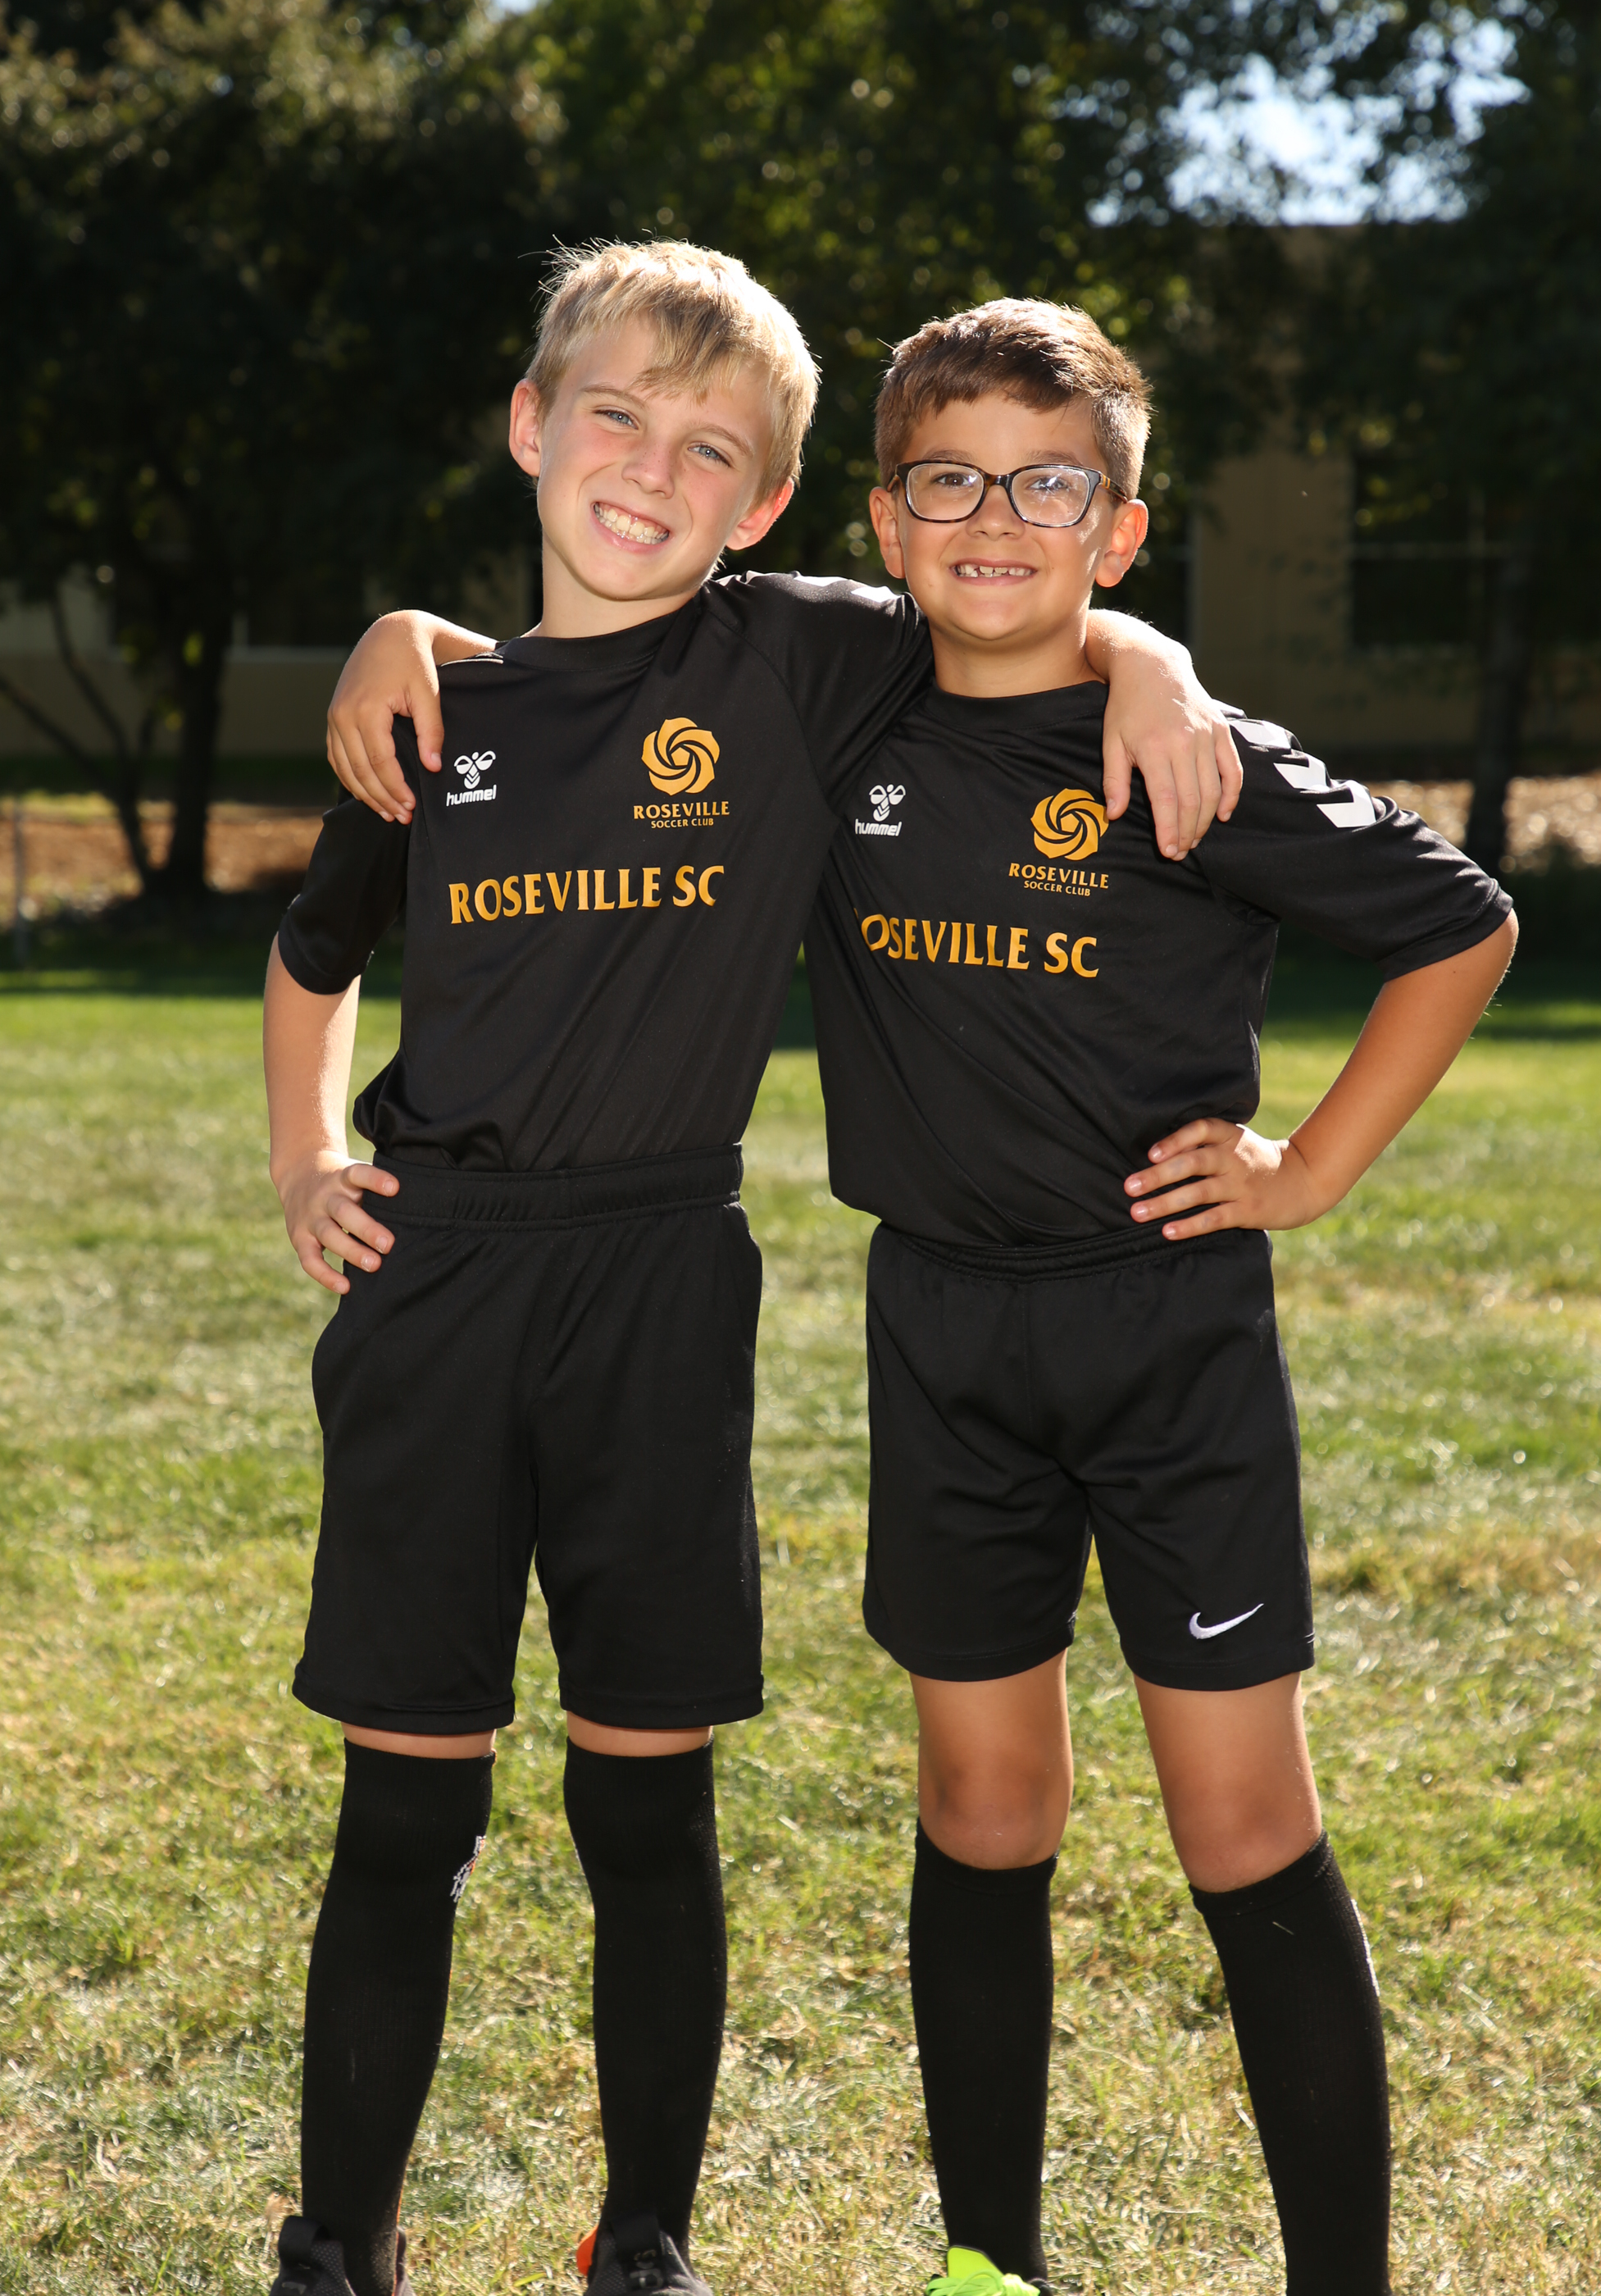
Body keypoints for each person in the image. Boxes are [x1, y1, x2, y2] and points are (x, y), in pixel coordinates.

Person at [265, 240, 1239, 2296]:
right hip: (439, 1290)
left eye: (710, 447)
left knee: (647, 1798)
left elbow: (1010, 585)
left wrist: (1150, 661)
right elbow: (314, 948)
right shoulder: (435, 705)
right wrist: (306, 1151)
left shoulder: (791, 663)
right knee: (404, 1808)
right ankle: (339, 2240)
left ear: (770, 499)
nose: (651, 468)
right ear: (531, 426)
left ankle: (646, 2238)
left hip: (659, 1287)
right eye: (612, 417)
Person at [789, 301, 1514, 2294]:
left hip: (1167, 1332)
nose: (992, 518)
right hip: (941, 1329)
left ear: (1117, 529)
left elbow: (1460, 927)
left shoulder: (1188, 755)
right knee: (980, 1800)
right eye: (948, 480)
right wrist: (406, 637)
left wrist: (1309, 1167)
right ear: (885, 517)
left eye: (1050, 486)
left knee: (1237, 1815)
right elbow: (640, 612)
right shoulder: (830, 707)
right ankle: (986, 2267)